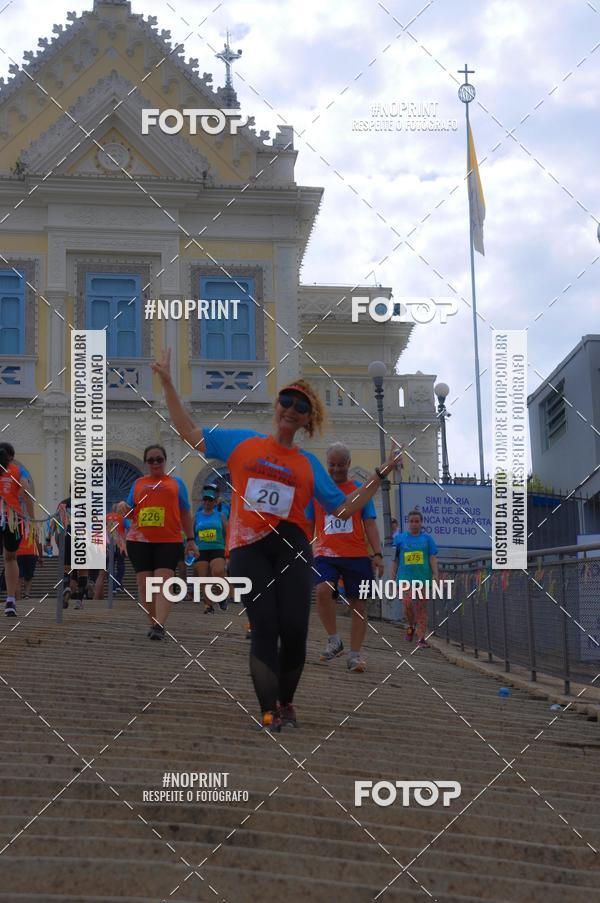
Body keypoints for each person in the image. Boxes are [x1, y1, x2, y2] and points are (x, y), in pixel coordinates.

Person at [152, 348, 400, 732]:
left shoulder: (307, 464)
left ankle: (286, 701)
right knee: (264, 625)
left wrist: (378, 478)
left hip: (292, 547)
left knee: (296, 630)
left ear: (307, 419)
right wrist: (168, 383)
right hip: (248, 548)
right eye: (286, 400)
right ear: (277, 405)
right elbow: (188, 432)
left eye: (300, 406)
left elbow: (344, 509)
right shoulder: (243, 443)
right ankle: (268, 709)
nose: (291, 409)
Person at [313, 442, 385, 673]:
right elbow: (307, 523)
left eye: (340, 465)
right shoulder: (319, 491)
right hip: (326, 554)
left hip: (356, 555)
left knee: (359, 605)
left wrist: (377, 553)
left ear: (348, 464)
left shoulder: (358, 490)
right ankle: (334, 640)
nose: (335, 469)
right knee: (323, 590)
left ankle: (355, 655)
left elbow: (370, 523)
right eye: (331, 465)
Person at [117, 445, 197, 641]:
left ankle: (160, 625)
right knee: (145, 586)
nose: (155, 463)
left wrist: (191, 539)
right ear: (145, 463)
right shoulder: (137, 483)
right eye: (151, 460)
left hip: (169, 540)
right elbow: (131, 512)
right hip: (139, 541)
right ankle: (153, 622)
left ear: (165, 460)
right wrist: (122, 507)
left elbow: (186, 512)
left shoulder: (176, 483)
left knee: (163, 583)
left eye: (159, 459)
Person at [391, 509, 439, 649]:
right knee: (407, 604)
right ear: (408, 523)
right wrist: (392, 577)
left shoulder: (427, 539)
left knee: (421, 607)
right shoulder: (400, 539)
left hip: (423, 577)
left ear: (421, 523)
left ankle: (421, 638)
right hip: (405, 578)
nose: (414, 524)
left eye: (417, 521)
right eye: (411, 521)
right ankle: (411, 626)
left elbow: (432, 557)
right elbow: (395, 559)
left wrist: (435, 574)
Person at [0, 443, 34, 617]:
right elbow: (26, 491)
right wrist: (31, 516)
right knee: (11, 558)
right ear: (11, 456)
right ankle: (11, 600)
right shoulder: (18, 471)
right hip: (13, 518)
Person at [193, 488, 228, 613]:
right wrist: (190, 547)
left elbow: (227, 532)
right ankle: (208, 605)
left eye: (210, 500)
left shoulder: (220, 516)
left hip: (217, 548)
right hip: (201, 550)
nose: (208, 502)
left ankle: (221, 596)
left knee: (218, 572)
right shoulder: (196, 516)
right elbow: (191, 534)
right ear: (203, 502)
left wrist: (228, 548)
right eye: (206, 500)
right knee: (204, 578)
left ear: (214, 502)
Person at [16, 529, 42, 599]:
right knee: (29, 576)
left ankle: (18, 597)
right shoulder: (33, 526)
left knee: (19, 576)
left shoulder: (17, 525)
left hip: (19, 553)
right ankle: (26, 594)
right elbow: (37, 540)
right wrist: (40, 556)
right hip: (31, 553)